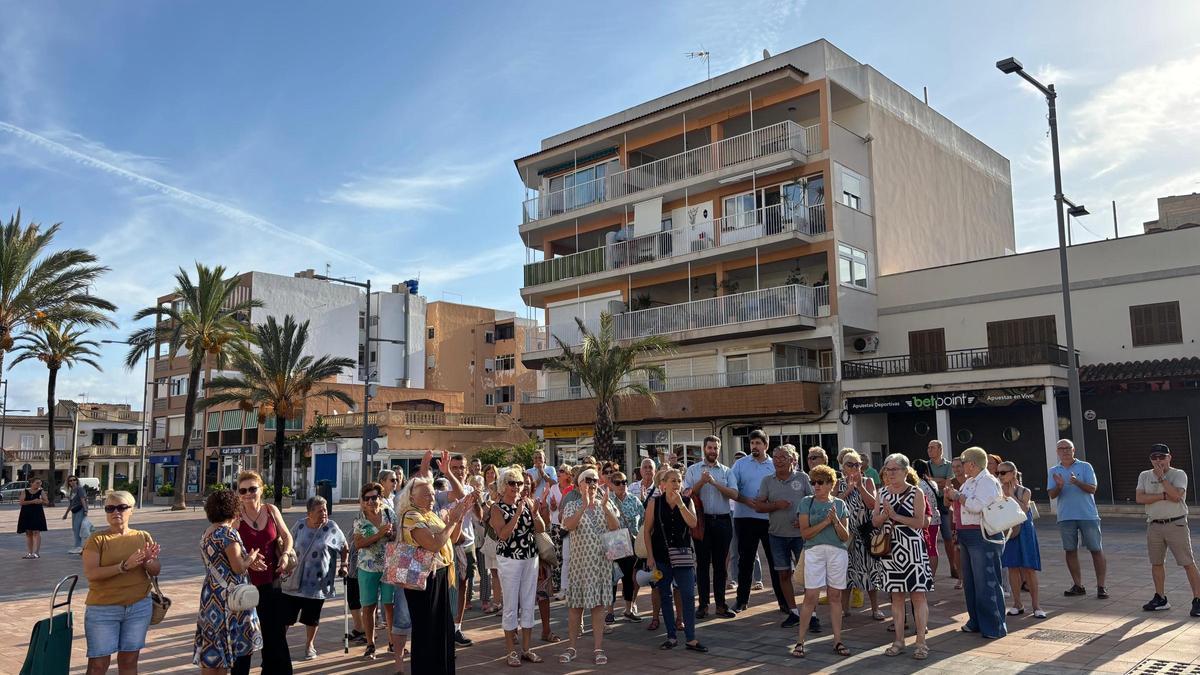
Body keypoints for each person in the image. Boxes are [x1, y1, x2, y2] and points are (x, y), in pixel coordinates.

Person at [398, 475, 473, 674]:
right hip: (423, 581)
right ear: (412, 498)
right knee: (427, 632)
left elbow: (453, 538)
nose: (431, 498)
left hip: (439, 576)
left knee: (443, 629)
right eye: (426, 495)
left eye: (432, 494)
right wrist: (452, 521)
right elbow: (433, 543)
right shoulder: (411, 515)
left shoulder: (431, 514)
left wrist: (458, 518)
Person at [82, 491, 160, 675]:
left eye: (121, 507)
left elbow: (155, 571)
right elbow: (91, 573)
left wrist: (149, 561)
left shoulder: (142, 536)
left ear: (131, 510)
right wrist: (124, 566)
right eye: (110, 508)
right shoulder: (97, 539)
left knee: (129, 661)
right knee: (98, 664)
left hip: (138, 606)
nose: (115, 512)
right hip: (103, 609)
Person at [195, 489, 264, 674]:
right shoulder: (228, 534)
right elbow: (238, 567)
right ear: (234, 509)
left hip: (211, 594)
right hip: (229, 600)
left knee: (212, 648)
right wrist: (250, 558)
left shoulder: (208, 532)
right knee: (227, 648)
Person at [232, 471, 294, 675]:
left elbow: (287, 536)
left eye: (252, 489)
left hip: (272, 581)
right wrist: (247, 561)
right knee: (245, 638)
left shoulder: (271, 510)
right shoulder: (236, 517)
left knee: (275, 635)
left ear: (261, 489)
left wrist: (285, 554)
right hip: (246, 584)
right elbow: (229, 549)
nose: (248, 494)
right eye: (243, 490)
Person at [559, 467, 622, 665]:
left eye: (595, 480)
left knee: (598, 607)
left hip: (601, 564)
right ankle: (571, 647)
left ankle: (598, 648)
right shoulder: (573, 504)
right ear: (579, 485)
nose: (592, 484)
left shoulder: (607, 503)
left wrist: (603, 507)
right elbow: (568, 526)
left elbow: (615, 528)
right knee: (575, 607)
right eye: (587, 480)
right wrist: (584, 506)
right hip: (580, 565)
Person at [944, 446, 1007, 640]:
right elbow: (960, 506)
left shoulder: (987, 481)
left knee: (986, 582)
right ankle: (976, 621)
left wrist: (957, 496)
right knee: (971, 583)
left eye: (963, 463)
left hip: (983, 536)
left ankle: (994, 626)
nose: (961, 467)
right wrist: (952, 496)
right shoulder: (970, 481)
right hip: (967, 535)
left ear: (972, 463)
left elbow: (976, 506)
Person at [874, 453, 931, 660]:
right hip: (891, 550)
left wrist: (895, 516)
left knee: (918, 595)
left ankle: (921, 642)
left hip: (913, 549)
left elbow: (920, 522)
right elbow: (875, 522)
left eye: (894, 469)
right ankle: (898, 640)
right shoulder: (881, 493)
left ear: (905, 471)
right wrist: (883, 516)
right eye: (887, 470)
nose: (890, 473)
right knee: (896, 597)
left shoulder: (916, 492)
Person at [643, 467, 707, 653]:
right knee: (666, 595)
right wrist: (650, 556)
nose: (677, 484)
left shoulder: (687, 501)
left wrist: (680, 504)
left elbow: (693, 523)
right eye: (673, 481)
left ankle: (691, 638)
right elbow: (647, 530)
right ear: (663, 484)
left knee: (687, 595)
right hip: (662, 556)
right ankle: (671, 636)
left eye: (679, 481)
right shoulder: (655, 503)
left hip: (683, 556)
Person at [754, 445, 816, 631]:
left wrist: (805, 519)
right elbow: (759, 506)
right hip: (776, 535)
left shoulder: (803, 478)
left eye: (783, 457)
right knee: (783, 573)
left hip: (801, 535)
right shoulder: (767, 481)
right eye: (775, 457)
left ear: (792, 460)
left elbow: (814, 502)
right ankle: (793, 612)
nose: (778, 460)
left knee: (807, 575)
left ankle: (811, 614)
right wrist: (776, 505)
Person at [791, 464, 851, 658]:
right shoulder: (806, 503)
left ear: (830, 484)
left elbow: (845, 536)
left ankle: (838, 640)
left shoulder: (840, 505)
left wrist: (835, 521)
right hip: (814, 552)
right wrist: (826, 522)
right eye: (813, 482)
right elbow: (805, 533)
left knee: (835, 596)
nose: (816, 486)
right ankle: (800, 641)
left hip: (837, 553)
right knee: (811, 596)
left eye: (820, 482)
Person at [489, 465, 546, 666]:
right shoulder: (497, 508)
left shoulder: (527, 503)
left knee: (529, 603)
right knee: (511, 604)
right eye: (511, 483)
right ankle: (511, 651)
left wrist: (535, 513)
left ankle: (527, 649)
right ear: (504, 486)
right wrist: (518, 513)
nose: (516, 486)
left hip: (530, 557)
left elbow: (541, 528)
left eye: (519, 483)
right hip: (509, 558)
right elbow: (502, 535)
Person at [1136, 444, 1200, 617]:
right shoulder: (1144, 475)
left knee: (1187, 562)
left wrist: (1162, 477)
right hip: (1154, 524)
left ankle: (1198, 599)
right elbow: (1140, 498)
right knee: (1156, 562)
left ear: (1169, 457)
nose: (1158, 461)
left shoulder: (1179, 474)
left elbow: (1176, 496)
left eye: (1162, 457)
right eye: (1154, 457)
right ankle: (1160, 598)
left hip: (1176, 524)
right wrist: (1162, 496)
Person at [730, 429, 790, 614]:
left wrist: (769, 504)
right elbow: (732, 489)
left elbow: (783, 488)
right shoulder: (740, 465)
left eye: (758, 443)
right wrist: (746, 500)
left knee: (775, 562)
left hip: (769, 519)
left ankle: (783, 602)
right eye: (752, 443)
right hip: (745, 518)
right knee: (745, 561)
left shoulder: (774, 465)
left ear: (766, 445)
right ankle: (741, 601)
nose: (754, 447)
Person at [282, 496, 348, 661]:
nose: (324, 513)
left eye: (325, 510)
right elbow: (287, 543)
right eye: (320, 511)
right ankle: (279, 646)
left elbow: (344, 547)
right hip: (295, 580)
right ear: (309, 513)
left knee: (312, 618)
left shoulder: (331, 527)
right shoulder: (300, 525)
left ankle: (309, 645)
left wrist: (344, 565)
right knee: (286, 617)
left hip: (318, 583)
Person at [683, 435, 738, 620]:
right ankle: (703, 605)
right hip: (701, 522)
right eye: (709, 448)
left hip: (722, 521)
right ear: (704, 449)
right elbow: (687, 494)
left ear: (719, 450)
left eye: (715, 448)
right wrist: (701, 482)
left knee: (721, 566)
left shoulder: (726, 471)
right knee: (703, 564)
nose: (712, 451)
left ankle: (721, 604)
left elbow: (734, 494)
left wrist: (714, 483)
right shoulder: (693, 470)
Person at [1047, 439, 1108, 598]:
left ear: (1074, 450)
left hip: (1087, 515)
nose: (1065, 451)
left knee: (1096, 549)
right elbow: (1051, 495)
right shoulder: (1053, 470)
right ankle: (1078, 585)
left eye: (1068, 448)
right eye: (1061, 448)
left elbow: (1093, 489)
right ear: (1057, 452)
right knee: (1070, 550)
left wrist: (1076, 482)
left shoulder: (1085, 466)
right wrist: (1059, 486)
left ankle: (1101, 586)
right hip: (1066, 516)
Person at [834, 449, 884, 621]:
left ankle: (875, 608)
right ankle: (844, 608)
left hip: (865, 533)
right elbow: (832, 504)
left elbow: (873, 504)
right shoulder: (838, 483)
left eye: (857, 464)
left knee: (870, 571)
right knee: (845, 573)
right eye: (850, 464)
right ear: (843, 467)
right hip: (845, 535)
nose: (855, 467)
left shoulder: (868, 481)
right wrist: (848, 490)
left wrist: (860, 486)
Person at [437, 452, 480, 648]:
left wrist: (478, 501)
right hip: (447, 544)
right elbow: (459, 495)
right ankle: (443, 628)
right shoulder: (443, 488)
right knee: (445, 588)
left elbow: (480, 516)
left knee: (463, 585)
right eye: (454, 467)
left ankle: (456, 628)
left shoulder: (472, 488)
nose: (459, 471)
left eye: (461, 467)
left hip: (467, 542)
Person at [353, 481, 397, 660]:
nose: (371, 501)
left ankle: (393, 643)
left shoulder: (389, 513)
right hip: (367, 569)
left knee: (390, 606)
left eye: (374, 497)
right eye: (367, 498)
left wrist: (391, 534)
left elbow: (397, 537)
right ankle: (370, 644)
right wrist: (379, 533)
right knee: (369, 607)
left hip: (388, 566)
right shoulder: (360, 519)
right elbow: (358, 544)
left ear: (381, 497)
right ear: (363, 501)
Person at [997, 461, 1044, 618]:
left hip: (1024, 531)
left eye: (1003, 473)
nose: (999, 476)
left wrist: (1011, 497)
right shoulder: (998, 490)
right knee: (1012, 567)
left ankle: (1036, 605)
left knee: (1029, 568)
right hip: (1009, 531)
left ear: (1013, 473)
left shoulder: (1025, 491)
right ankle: (1017, 603)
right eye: (998, 473)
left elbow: (1024, 509)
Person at [609, 471, 644, 622]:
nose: (622, 485)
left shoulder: (634, 500)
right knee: (612, 578)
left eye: (624, 481)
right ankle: (610, 612)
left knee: (630, 577)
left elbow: (643, 520)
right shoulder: (608, 501)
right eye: (617, 482)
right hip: (614, 542)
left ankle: (629, 609)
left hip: (631, 542)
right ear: (611, 485)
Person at [926, 441, 958, 579]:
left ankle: (953, 566)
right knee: (929, 539)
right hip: (930, 505)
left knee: (948, 537)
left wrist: (935, 481)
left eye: (932, 448)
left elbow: (948, 484)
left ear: (940, 449)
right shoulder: (926, 465)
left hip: (944, 505)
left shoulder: (950, 465)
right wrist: (940, 481)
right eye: (928, 448)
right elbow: (932, 482)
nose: (929, 450)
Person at [913, 459, 942, 585]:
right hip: (936, 518)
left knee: (923, 548)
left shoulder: (917, 485)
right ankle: (932, 576)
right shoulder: (932, 483)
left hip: (925, 518)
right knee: (932, 548)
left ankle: (925, 575)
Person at [479, 464, 504, 613]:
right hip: (490, 539)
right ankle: (496, 602)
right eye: (490, 490)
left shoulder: (502, 505)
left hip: (500, 541)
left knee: (503, 574)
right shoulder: (487, 500)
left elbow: (494, 521)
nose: (491, 492)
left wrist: (488, 511)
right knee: (494, 573)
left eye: (493, 490)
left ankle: (505, 603)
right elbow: (484, 519)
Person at [547, 465, 572, 598]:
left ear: (568, 474)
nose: (558, 473)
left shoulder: (573, 488)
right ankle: (558, 584)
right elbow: (551, 508)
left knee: (568, 556)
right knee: (558, 555)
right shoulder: (553, 488)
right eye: (558, 471)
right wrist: (552, 505)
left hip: (569, 525)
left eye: (562, 471)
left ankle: (569, 584)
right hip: (557, 524)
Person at [18, 477, 49, 558]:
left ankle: (36, 553)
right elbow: (21, 502)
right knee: (28, 533)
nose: (39, 484)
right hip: (26, 513)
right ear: (31, 483)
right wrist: (32, 501)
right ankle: (29, 552)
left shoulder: (41, 491)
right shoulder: (25, 491)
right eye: (37, 483)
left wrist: (41, 501)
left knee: (36, 532)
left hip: (37, 513)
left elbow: (47, 502)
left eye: (40, 483)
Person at [62, 475, 90, 554]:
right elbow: (71, 504)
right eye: (70, 481)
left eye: (74, 480)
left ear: (77, 480)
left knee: (78, 528)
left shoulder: (79, 489)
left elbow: (83, 500)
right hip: (74, 511)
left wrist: (85, 510)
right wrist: (66, 514)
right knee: (75, 528)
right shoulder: (72, 491)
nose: (72, 482)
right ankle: (78, 546)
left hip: (80, 510)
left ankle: (78, 546)